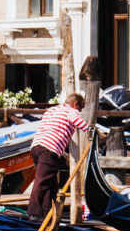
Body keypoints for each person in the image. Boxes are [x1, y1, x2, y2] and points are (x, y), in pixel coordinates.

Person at [26, 92, 91, 223]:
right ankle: (34, 214)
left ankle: (47, 213)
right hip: (49, 148)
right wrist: (89, 129)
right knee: (42, 181)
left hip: (36, 146)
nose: (80, 111)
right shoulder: (71, 111)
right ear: (75, 104)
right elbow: (75, 120)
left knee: (51, 182)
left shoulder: (52, 110)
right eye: (81, 108)